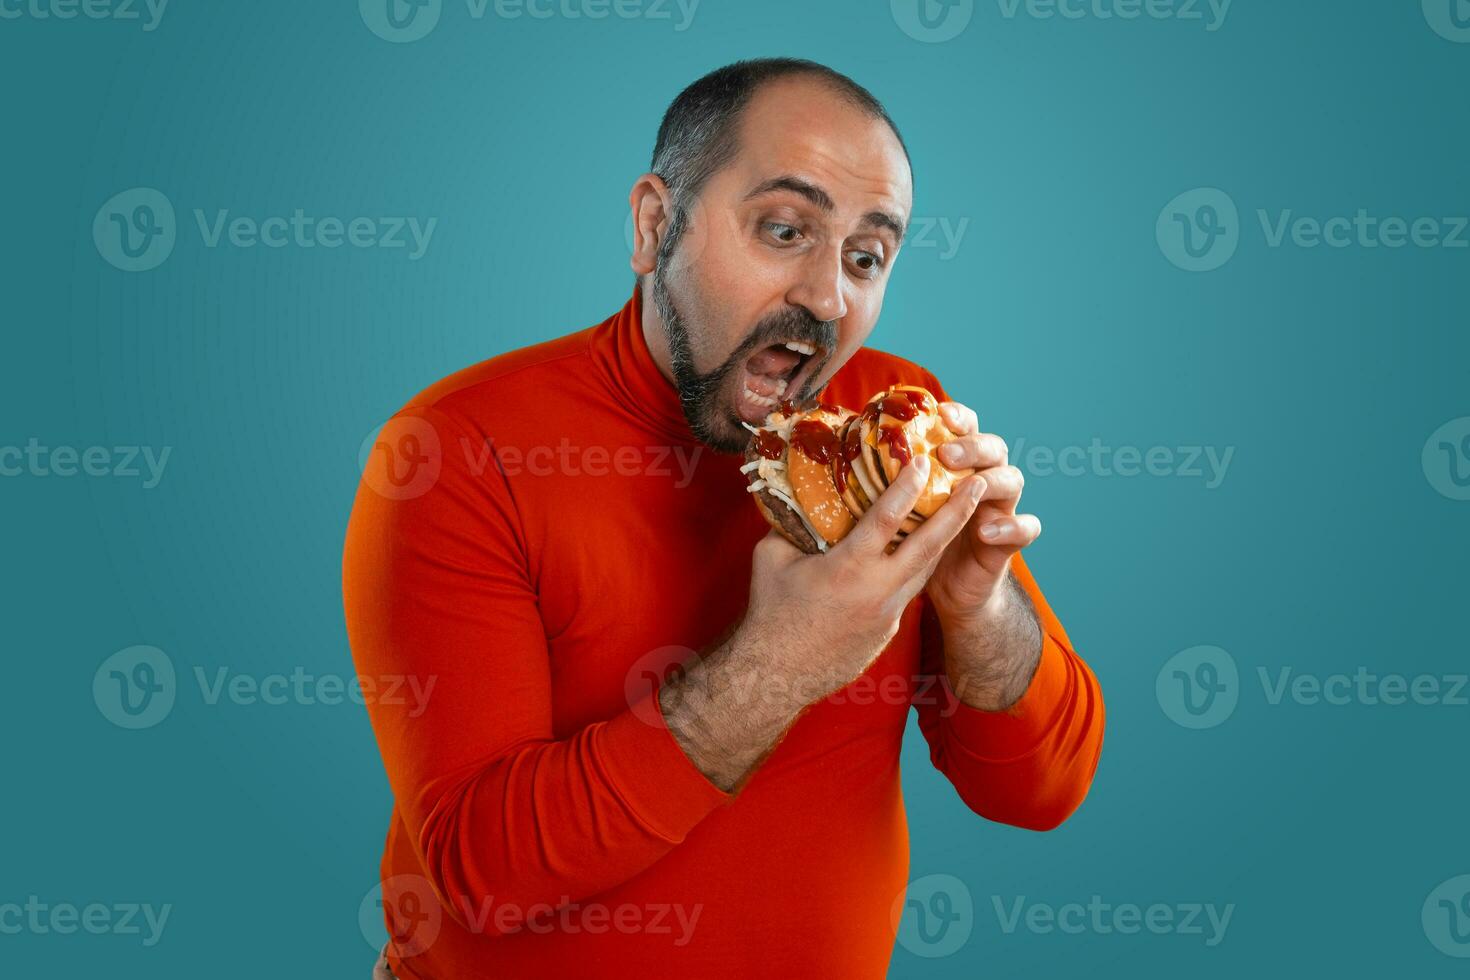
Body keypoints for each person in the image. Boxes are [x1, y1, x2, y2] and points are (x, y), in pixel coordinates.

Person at [344, 57, 1105, 980]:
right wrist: (783, 663)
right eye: (785, 230)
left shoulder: (893, 418)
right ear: (655, 225)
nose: (828, 298)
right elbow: (482, 873)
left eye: (866, 257)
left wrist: (979, 610)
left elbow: (1041, 789)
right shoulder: (455, 453)